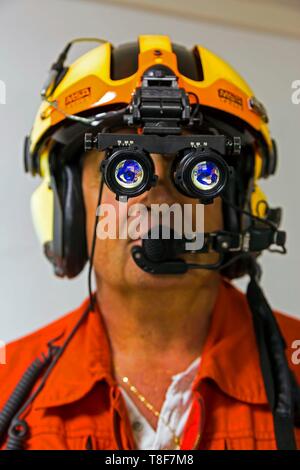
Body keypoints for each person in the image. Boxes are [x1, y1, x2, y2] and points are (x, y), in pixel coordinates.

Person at [0, 35, 299, 451]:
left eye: (195, 169)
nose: (157, 198)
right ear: (66, 209)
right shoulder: (7, 383)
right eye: (124, 170)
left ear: (236, 205)